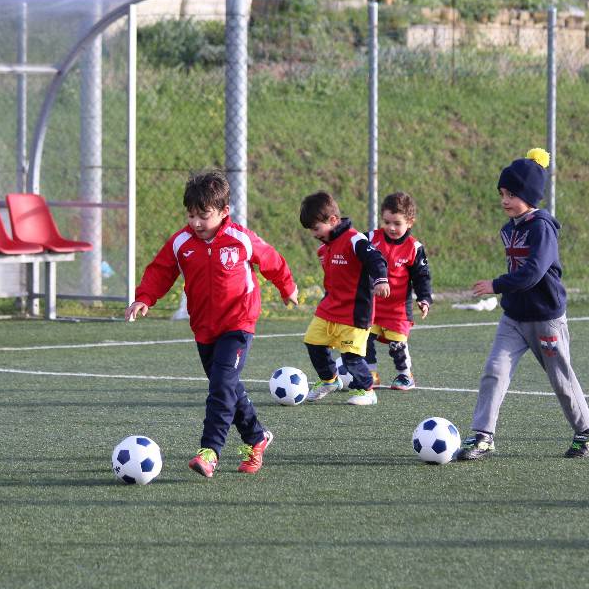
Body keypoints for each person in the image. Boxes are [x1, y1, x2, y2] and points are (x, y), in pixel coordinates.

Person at [125, 170, 298, 478]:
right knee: (228, 387)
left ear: (224, 212)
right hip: (204, 328)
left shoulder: (239, 238)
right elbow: (160, 271)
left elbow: (271, 259)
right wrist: (144, 298)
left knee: (221, 386)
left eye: (204, 215)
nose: (196, 223)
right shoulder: (181, 243)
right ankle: (257, 439)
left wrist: (287, 287)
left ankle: (210, 452)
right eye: (191, 215)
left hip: (238, 323)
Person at [457, 148, 589, 461]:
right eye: (502, 194)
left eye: (511, 194)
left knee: (561, 379)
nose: (505, 200)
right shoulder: (509, 229)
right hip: (514, 318)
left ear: (530, 194)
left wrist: (496, 285)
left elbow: (534, 272)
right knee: (494, 370)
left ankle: (587, 430)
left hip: (545, 318)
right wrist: (506, 293)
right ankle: (483, 436)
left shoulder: (542, 228)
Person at [299, 191, 389, 405]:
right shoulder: (325, 248)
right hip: (329, 308)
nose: (313, 234)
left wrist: (381, 280)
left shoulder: (355, 239)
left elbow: (376, 259)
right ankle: (329, 380)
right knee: (312, 342)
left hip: (355, 312)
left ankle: (367, 390)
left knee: (351, 357)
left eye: (316, 228)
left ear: (332, 220)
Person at [364, 192, 433, 391]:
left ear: (410, 222)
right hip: (373, 306)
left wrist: (424, 299)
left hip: (397, 309)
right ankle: (370, 374)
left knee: (397, 346)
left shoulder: (414, 248)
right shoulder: (370, 238)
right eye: (386, 222)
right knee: (365, 339)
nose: (391, 228)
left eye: (397, 223)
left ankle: (405, 375)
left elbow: (422, 277)